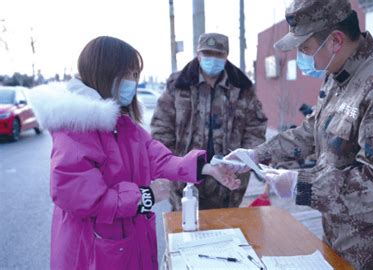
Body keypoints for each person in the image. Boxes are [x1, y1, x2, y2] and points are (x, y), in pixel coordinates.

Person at [223, 0, 373, 268]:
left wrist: (300, 184)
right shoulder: (340, 75)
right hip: (344, 240)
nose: (301, 57)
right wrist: (257, 154)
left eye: (305, 49)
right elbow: (313, 129)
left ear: (335, 40)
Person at [28, 36, 239, 270]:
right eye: (128, 73)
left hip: (126, 244)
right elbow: (76, 195)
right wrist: (144, 197)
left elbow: (159, 158)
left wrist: (205, 167)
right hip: (93, 254)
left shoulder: (123, 124)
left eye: (136, 74)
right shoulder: (76, 127)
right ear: (105, 71)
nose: (133, 82)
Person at [151, 33, 267, 210]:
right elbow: (161, 128)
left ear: (226, 56)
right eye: (207, 53)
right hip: (185, 179)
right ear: (198, 54)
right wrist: (172, 164)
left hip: (229, 179)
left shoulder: (242, 86)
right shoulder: (179, 84)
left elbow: (255, 127)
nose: (212, 59)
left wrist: (246, 159)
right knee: (187, 227)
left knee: (225, 229)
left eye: (218, 54)